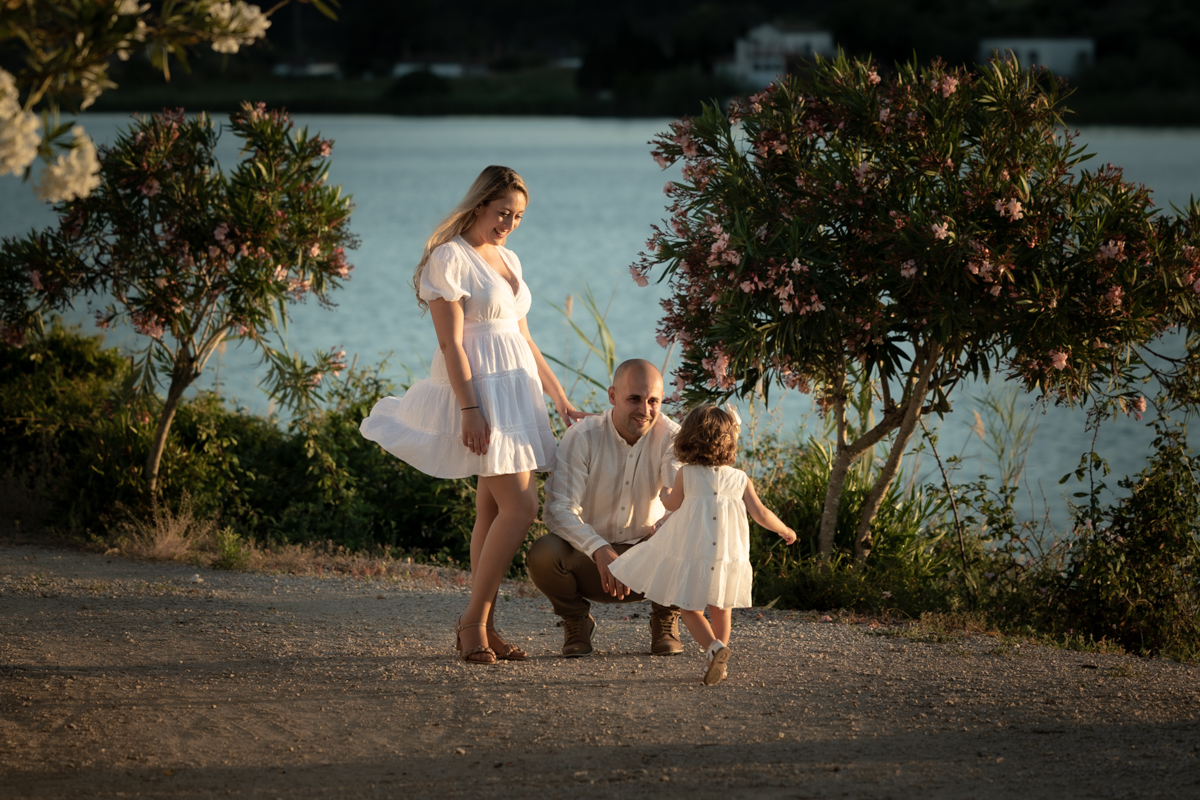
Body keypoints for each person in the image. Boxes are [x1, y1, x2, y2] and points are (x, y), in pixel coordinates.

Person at [360, 165, 585, 665]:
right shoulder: (450, 258)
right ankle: (472, 624)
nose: (509, 222)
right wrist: (469, 409)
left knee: (492, 510)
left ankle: (484, 626)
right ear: (480, 204)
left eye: (519, 216)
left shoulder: (508, 259)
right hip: (482, 393)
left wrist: (561, 399)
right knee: (521, 508)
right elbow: (451, 342)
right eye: (502, 211)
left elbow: (524, 338)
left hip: (517, 390)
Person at [608, 404, 796, 685]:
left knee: (689, 608)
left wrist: (664, 494)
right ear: (730, 440)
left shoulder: (688, 474)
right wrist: (785, 530)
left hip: (694, 553)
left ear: (689, 439)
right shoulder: (740, 478)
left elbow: (673, 504)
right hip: (727, 556)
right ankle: (717, 654)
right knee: (722, 607)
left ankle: (714, 649)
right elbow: (761, 513)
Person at [529, 359, 684, 657]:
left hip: (650, 560)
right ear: (612, 396)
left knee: (690, 533)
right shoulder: (582, 436)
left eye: (654, 401)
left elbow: (681, 499)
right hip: (590, 562)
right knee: (543, 554)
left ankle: (666, 617)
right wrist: (598, 547)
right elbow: (559, 509)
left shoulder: (672, 437)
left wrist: (669, 524)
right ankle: (576, 621)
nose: (645, 410)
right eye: (634, 399)